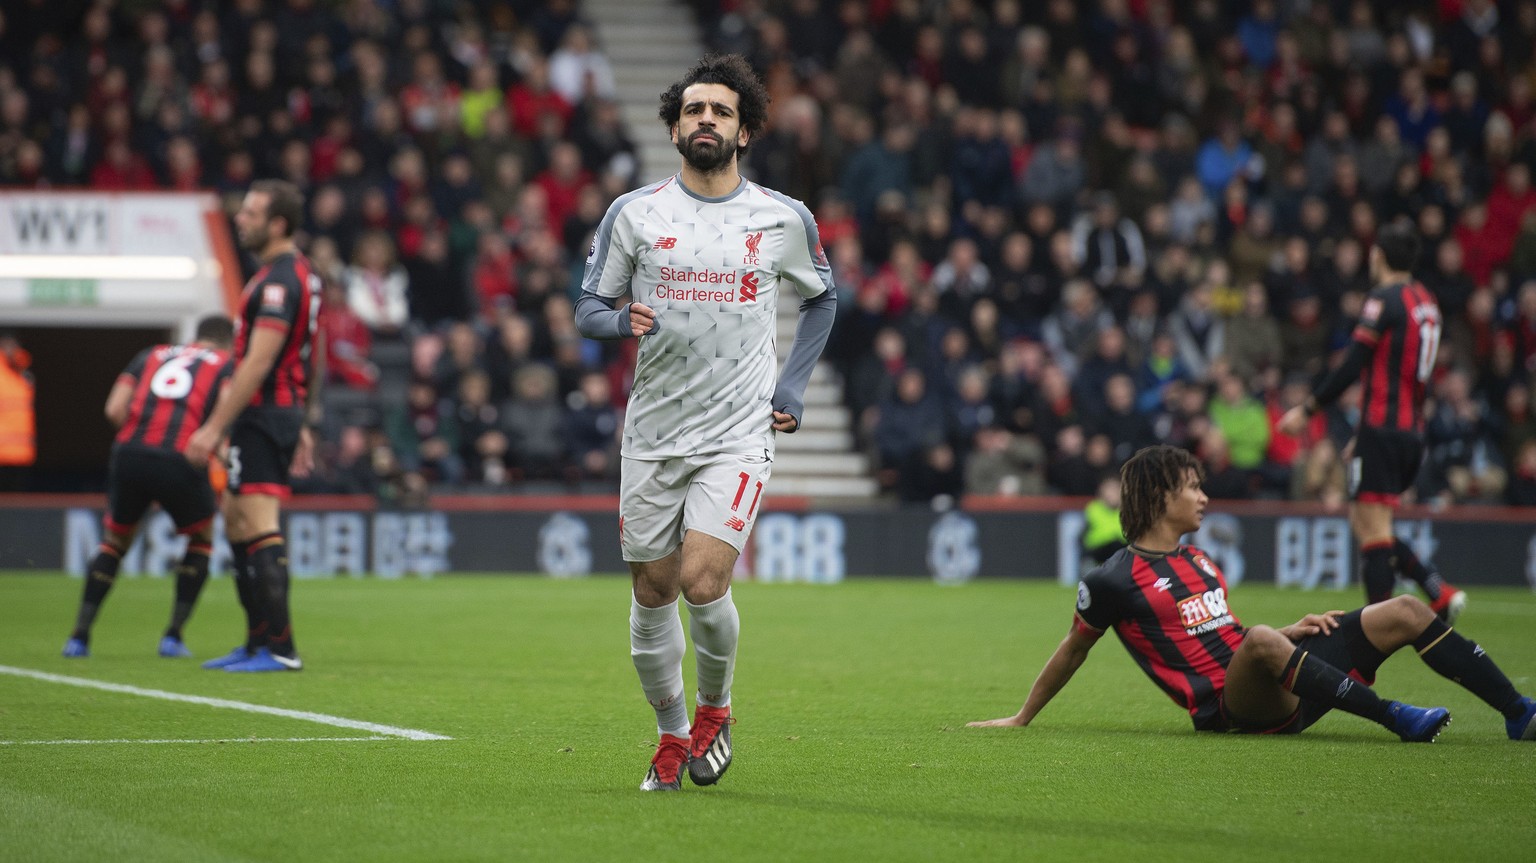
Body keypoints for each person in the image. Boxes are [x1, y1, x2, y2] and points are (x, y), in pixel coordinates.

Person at [574, 54, 836, 791]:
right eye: (694, 110)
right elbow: (587, 306)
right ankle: (668, 732)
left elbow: (823, 297)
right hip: (654, 432)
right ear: (675, 125)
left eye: (720, 111)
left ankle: (715, 708)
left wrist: (794, 384)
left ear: (745, 130)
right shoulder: (635, 213)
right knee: (652, 590)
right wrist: (621, 317)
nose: (706, 120)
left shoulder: (782, 218)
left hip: (738, 429)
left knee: (701, 578)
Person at [969, 445, 1536, 742]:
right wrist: (1022, 717)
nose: (1204, 497)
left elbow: (1230, 637)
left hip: (1273, 674)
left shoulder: (1198, 558)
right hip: (1229, 708)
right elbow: (1074, 648)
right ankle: (1395, 718)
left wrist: (1294, 633)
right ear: (1162, 495)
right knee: (1264, 639)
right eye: (1193, 487)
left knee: (1407, 609)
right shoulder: (1112, 579)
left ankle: (1517, 713)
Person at [1278, 223, 1465, 620]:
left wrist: (1309, 408)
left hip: (1383, 427)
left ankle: (1379, 630)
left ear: (1378, 256)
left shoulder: (1384, 299)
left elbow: (1354, 362)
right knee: (1367, 524)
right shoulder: (1426, 301)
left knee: (1372, 529)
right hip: (1409, 430)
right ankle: (1435, 589)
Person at [186, 179, 323, 673]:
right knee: (238, 520)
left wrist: (213, 428)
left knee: (259, 522)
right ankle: (256, 641)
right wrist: (304, 415)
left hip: (263, 413)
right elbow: (312, 352)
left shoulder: (277, 282)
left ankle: (282, 649)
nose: (240, 219)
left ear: (277, 224)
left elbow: (259, 362)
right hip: (273, 411)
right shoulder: (296, 275)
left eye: (250, 213)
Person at [62, 316, 235, 659]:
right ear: (228, 342)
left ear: (195, 337)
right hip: (182, 456)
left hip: (131, 453)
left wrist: (144, 437)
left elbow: (114, 409)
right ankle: (173, 636)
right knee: (201, 539)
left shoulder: (150, 355)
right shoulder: (226, 364)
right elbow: (225, 415)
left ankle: (79, 637)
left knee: (115, 542)